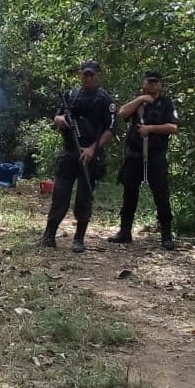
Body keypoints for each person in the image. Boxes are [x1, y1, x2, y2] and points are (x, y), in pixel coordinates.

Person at [36, 59, 117, 253]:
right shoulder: (70, 96)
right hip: (69, 152)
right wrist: (62, 120)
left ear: (97, 75)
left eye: (91, 74)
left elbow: (111, 130)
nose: (87, 77)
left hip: (90, 155)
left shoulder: (105, 100)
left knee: (84, 197)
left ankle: (79, 238)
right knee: (59, 195)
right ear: (80, 74)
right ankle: (49, 235)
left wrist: (91, 149)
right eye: (85, 74)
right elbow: (55, 118)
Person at [108, 71, 179, 249]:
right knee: (129, 195)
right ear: (144, 83)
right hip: (134, 155)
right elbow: (122, 113)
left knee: (161, 196)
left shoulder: (166, 103)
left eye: (156, 82)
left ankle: (166, 236)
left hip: (156, 155)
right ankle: (125, 232)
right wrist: (141, 99)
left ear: (161, 85)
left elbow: (173, 127)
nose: (153, 85)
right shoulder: (138, 103)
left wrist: (151, 128)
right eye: (150, 82)